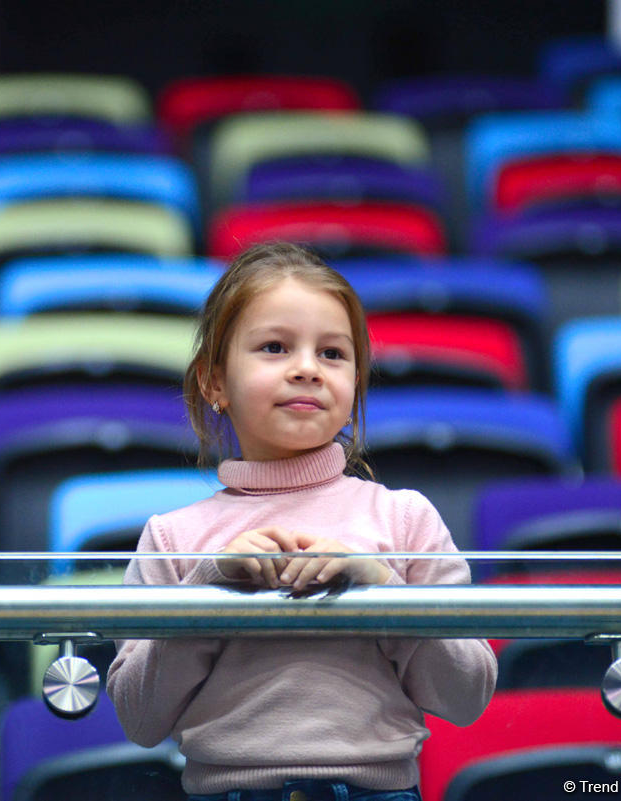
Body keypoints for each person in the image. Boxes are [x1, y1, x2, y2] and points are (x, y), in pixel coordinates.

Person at [106, 242, 497, 801]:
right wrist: (210, 587)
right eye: (274, 347)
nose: (308, 369)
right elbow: (139, 719)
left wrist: (381, 588)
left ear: (357, 382)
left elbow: (469, 694)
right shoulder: (171, 537)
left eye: (333, 354)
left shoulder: (405, 516)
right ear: (214, 383)